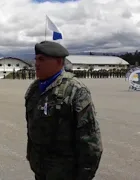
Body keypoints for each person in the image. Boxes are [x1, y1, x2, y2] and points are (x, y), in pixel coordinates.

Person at [24, 41, 103, 180]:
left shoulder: (76, 90)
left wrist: (85, 175)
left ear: (59, 62)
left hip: (66, 172)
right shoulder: (34, 89)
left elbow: (90, 141)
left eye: (41, 59)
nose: (36, 63)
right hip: (40, 169)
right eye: (36, 59)